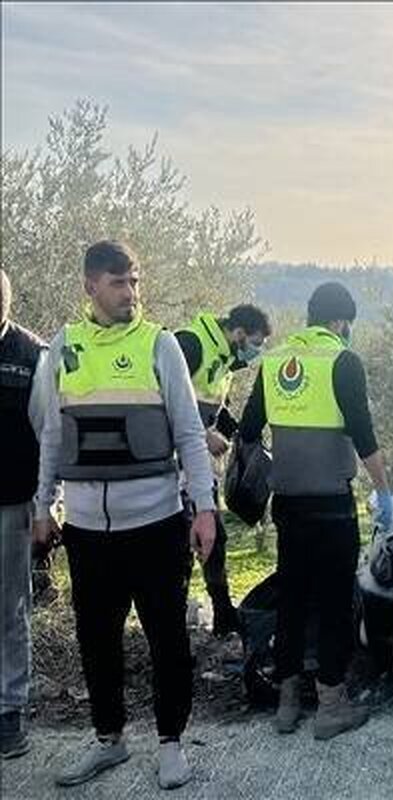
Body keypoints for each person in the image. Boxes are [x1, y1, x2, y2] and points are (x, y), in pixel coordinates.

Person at [31, 240, 217, 789]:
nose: (130, 293)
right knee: (97, 639)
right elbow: (51, 436)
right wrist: (44, 508)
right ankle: (108, 739)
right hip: (88, 532)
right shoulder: (64, 347)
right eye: (119, 283)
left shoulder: (160, 345)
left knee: (167, 640)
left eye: (135, 281)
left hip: (156, 525)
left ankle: (171, 743)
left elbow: (189, 435)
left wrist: (204, 508)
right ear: (90, 286)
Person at [238, 281, 392, 741]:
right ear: (341, 321)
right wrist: (385, 491)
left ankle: (286, 704)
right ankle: (330, 705)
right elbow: (363, 435)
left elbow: (248, 428)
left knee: (291, 597)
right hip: (331, 506)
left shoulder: (273, 361)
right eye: (349, 325)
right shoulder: (343, 361)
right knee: (333, 604)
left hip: (287, 505)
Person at [175, 305, 271, 636]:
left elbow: (218, 409)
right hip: (170, 467)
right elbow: (160, 401)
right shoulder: (190, 344)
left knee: (215, 536)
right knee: (182, 541)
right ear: (239, 332)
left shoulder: (226, 362)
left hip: (198, 466)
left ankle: (223, 613)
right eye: (255, 342)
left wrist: (245, 434)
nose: (255, 350)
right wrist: (205, 435)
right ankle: (175, 618)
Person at [0, 269, 49, 760]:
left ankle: (9, 709)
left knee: (9, 609)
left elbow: (47, 436)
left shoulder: (31, 356)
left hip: (9, 503)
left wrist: (45, 507)